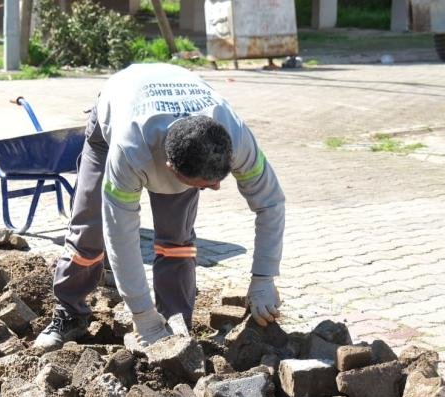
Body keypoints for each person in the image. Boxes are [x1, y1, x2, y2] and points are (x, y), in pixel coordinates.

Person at [34, 63, 285, 350]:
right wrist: (141, 314)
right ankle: (70, 313)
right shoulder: (130, 150)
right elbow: (121, 234)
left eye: (217, 180)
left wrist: (264, 277)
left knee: (176, 241)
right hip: (114, 115)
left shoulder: (235, 137)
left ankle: (176, 328)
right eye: (204, 184)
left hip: (177, 115)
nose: (215, 188)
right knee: (90, 231)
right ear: (170, 167)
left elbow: (271, 203)